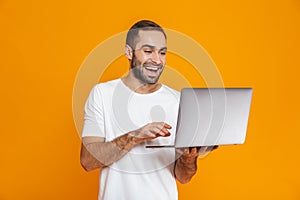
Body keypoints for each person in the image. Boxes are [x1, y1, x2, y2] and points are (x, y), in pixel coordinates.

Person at [80, 20, 216, 200]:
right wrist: (136, 136)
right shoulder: (102, 94)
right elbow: (87, 161)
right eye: (148, 51)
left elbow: (183, 177)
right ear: (129, 52)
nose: (157, 60)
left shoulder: (178, 101)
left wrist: (188, 159)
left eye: (162, 52)